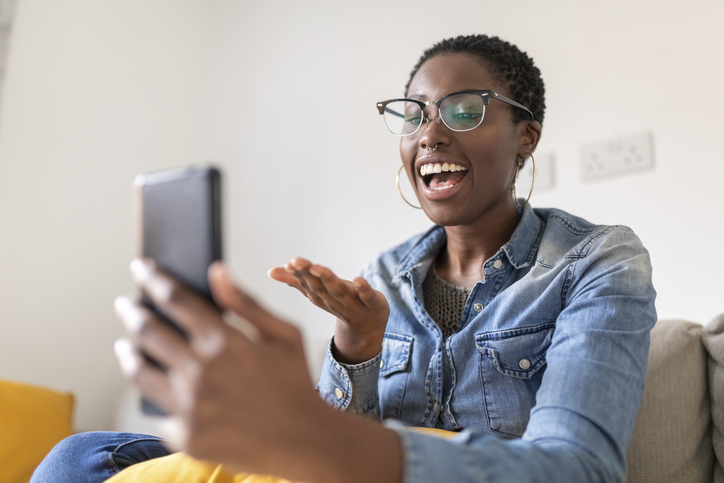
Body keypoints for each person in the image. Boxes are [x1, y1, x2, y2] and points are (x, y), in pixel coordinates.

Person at [32, 34, 656, 483]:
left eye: (464, 110)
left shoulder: (596, 261)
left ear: (526, 135)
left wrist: (313, 433)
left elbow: (581, 469)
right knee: (75, 461)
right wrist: (355, 347)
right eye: (413, 115)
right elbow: (340, 438)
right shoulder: (389, 272)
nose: (430, 134)